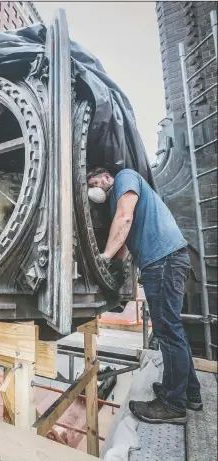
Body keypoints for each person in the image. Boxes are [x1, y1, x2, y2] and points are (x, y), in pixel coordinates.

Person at [87, 167, 202, 425]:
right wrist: (113, 265)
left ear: (107, 177)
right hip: (166, 261)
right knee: (172, 330)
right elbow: (126, 243)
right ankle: (189, 393)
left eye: (95, 181)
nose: (95, 188)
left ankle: (173, 404)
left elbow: (124, 218)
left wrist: (103, 256)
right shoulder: (122, 197)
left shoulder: (125, 178)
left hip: (163, 261)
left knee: (167, 332)